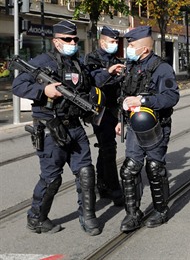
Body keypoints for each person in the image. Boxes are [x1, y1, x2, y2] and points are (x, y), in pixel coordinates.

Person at [12, 20, 111, 236]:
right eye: (67, 39)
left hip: (75, 126)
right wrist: (43, 90)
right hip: (50, 129)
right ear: (56, 41)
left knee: (86, 171)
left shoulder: (76, 63)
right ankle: (36, 218)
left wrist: (109, 72)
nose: (73, 42)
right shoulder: (42, 62)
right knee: (51, 178)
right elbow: (18, 86)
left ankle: (88, 216)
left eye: (75, 39)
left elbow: (90, 79)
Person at [115, 26, 179, 232]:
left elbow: (171, 97)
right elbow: (125, 95)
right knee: (129, 169)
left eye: (131, 46)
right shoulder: (131, 66)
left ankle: (160, 210)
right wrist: (121, 120)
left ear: (144, 49)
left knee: (154, 168)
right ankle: (132, 214)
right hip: (134, 126)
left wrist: (143, 100)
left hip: (155, 126)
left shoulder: (162, 68)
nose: (128, 49)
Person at [85, 26, 125, 206]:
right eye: (112, 41)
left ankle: (103, 183)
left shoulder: (116, 59)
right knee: (108, 148)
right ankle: (115, 190)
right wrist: (108, 72)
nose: (115, 44)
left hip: (114, 109)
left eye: (116, 42)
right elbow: (91, 82)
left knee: (107, 147)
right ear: (102, 42)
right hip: (99, 110)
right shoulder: (91, 59)